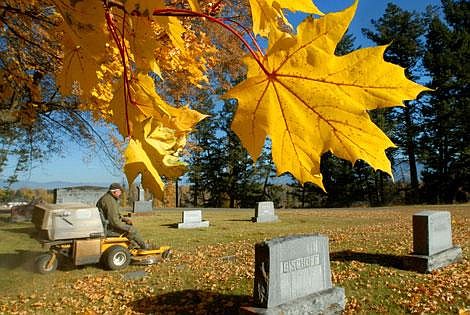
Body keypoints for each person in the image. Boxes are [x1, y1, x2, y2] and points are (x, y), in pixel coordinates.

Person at [96, 183, 148, 249]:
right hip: (109, 229)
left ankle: (133, 245)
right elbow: (114, 221)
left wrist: (124, 219)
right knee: (132, 230)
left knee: (129, 227)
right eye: (119, 191)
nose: (120, 193)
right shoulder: (110, 202)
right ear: (114, 192)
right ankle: (144, 247)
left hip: (106, 226)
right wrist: (126, 227)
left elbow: (114, 215)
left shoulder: (108, 198)